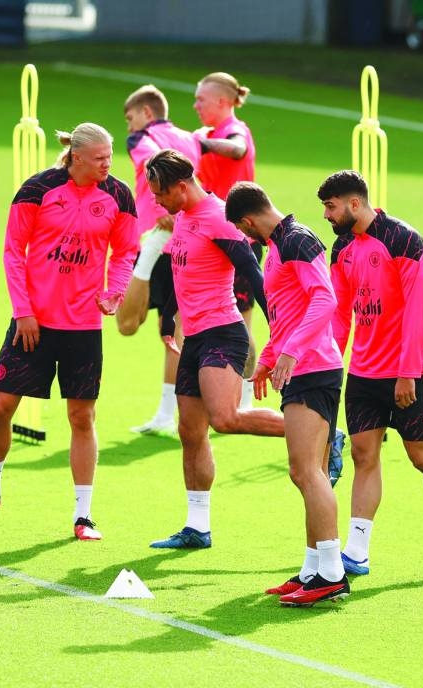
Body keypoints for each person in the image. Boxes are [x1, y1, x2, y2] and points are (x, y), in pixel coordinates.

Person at [0, 123, 137, 541]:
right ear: (76, 157)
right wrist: (23, 311)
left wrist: (116, 291)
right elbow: (13, 251)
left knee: (81, 416)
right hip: (33, 324)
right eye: (100, 158)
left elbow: (127, 249)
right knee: (2, 406)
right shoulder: (36, 190)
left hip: (83, 327)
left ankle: (83, 515)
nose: (108, 165)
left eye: (110, 157)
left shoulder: (118, 196)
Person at [319, 170, 423, 575]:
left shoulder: (405, 241)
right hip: (362, 373)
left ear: (354, 203)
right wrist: (329, 361)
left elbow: (416, 311)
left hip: (405, 374)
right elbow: (340, 313)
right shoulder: (341, 249)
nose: (326, 215)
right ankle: (357, 551)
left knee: (421, 456)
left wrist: (408, 372)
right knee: (363, 455)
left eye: (331, 206)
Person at [143, 149, 284, 550]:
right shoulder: (184, 218)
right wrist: (169, 316)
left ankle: (321, 434)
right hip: (195, 337)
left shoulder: (219, 219)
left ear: (182, 187)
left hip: (223, 333)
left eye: (160, 194)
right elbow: (178, 269)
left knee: (225, 419)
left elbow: (253, 274)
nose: (156, 201)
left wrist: (278, 333)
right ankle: (197, 526)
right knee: (190, 431)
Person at [225, 182, 349, 606]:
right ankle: (314, 569)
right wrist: (270, 356)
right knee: (306, 471)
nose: (247, 240)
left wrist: (291, 352)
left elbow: (324, 300)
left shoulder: (297, 240)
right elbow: (286, 313)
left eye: (244, 232)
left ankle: (331, 572)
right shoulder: (280, 246)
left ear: (247, 221)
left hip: (315, 370)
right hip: (301, 368)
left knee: (307, 471)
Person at [116, 85, 202, 436]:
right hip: (187, 241)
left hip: (159, 239)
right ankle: (170, 414)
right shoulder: (190, 139)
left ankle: (169, 415)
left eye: (130, 117)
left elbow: (153, 161)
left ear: (147, 113)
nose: (129, 126)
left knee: (128, 323)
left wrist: (160, 209)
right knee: (175, 331)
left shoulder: (140, 139)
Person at [192, 72, 260, 409]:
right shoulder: (207, 134)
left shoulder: (234, 131)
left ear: (222, 102)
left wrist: (201, 144)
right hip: (208, 240)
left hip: (238, 240)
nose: (195, 106)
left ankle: (245, 397)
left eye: (200, 100)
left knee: (240, 320)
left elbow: (238, 149)